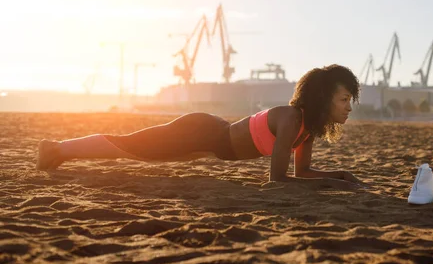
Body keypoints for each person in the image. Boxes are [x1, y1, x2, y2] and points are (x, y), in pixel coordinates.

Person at [37, 64, 368, 190]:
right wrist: (337, 188)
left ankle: (59, 153)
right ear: (324, 98)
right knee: (129, 146)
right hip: (201, 133)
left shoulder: (306, 130)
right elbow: (277, 180)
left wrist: (339, 176)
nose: (348, 107)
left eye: (350, 99)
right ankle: (56, 149)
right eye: (343, 99)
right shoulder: (290, 118)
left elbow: (303, 173)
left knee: (136, 152)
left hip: (209, 142)